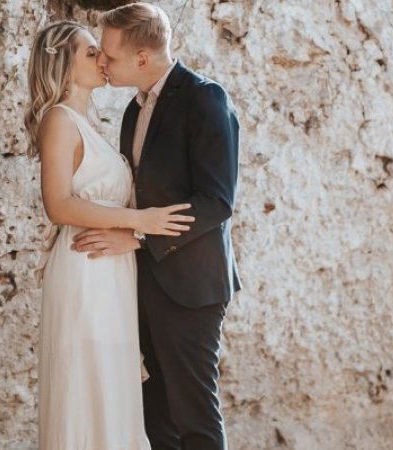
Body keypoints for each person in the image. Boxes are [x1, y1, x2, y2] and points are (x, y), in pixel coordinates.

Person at [72, 4, 242, 450]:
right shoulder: (133, 110)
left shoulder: (205, 99)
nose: (102, 61)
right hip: (146, 282)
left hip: (191, 287)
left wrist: (136, 235)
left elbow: (216, 201)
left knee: (195, 417)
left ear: (142, 59)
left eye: (108, 53)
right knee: (154, 416)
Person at [24, 20, 195, 450]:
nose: (102, 58)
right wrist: (143, 221)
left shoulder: (90, 123)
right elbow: (58, 205)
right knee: (88, 388)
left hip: (111, 274)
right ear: (62, 65)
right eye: (89, 52)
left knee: (111, 389)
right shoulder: (59, 121)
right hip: (85, 274)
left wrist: (133, 234)